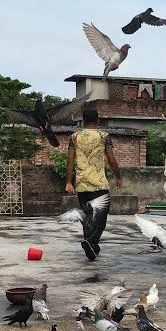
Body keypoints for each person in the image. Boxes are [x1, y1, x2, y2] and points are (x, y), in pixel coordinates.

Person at [65, 108, 123, 261]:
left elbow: (70, 161)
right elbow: (111, 160)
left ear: (83, 121)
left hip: (82, 186)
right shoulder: (104, 136)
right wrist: (118, 176)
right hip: (99, 185)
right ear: (97, 120)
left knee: (88, 217)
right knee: (101, 218)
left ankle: (91, 249)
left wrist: (69, 181)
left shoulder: (74, 137)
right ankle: (91, 243)